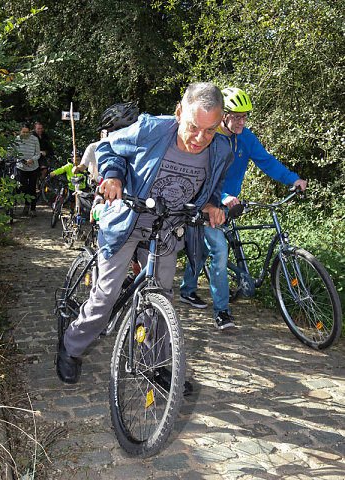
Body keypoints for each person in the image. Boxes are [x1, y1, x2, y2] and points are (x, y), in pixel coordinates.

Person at [56, 82, 234, 392]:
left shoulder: (221, 149)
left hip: (167, 228)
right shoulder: (152, 130)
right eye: (194, 127)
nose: (200, 138)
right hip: (128, 219)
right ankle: (70, 347)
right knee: (107, 296)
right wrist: (112, 175)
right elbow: (108, 147)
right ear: (179, 113)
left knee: (162, 300)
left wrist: (211, 205)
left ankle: (156, 366)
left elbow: (213, 188)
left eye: (210, 130)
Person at [179, 87, 307, 330]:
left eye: (244, 116)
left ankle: (187, 289)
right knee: (218, 250)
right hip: (206, 202)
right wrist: (224, 196)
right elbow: (202, 175)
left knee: (204, 250)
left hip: (229, 204)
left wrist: (293, 179)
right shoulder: (209, 137)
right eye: (236, 116)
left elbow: (266, 161)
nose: (241, 121)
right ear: (223, 116)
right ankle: (222, 312)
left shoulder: (246, 137)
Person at [72, 102, 139, 185]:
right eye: (109, 132)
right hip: (99, 184)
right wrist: (77, 168)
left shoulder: (133, 146)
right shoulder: (93, 147)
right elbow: (83, 165)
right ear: (102, 134)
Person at [14, 122, 41, 217]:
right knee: (23, 187)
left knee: (32, 188)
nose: (25, 134)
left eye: (27, 132)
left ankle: (33, 208)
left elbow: (38, 153)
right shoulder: (16, 140)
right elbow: (12, 152)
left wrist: (32, 159)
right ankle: (26, 204)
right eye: (23, 132)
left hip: (33, 167)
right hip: (21, 167)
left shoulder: (34, 139)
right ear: (20, 132)